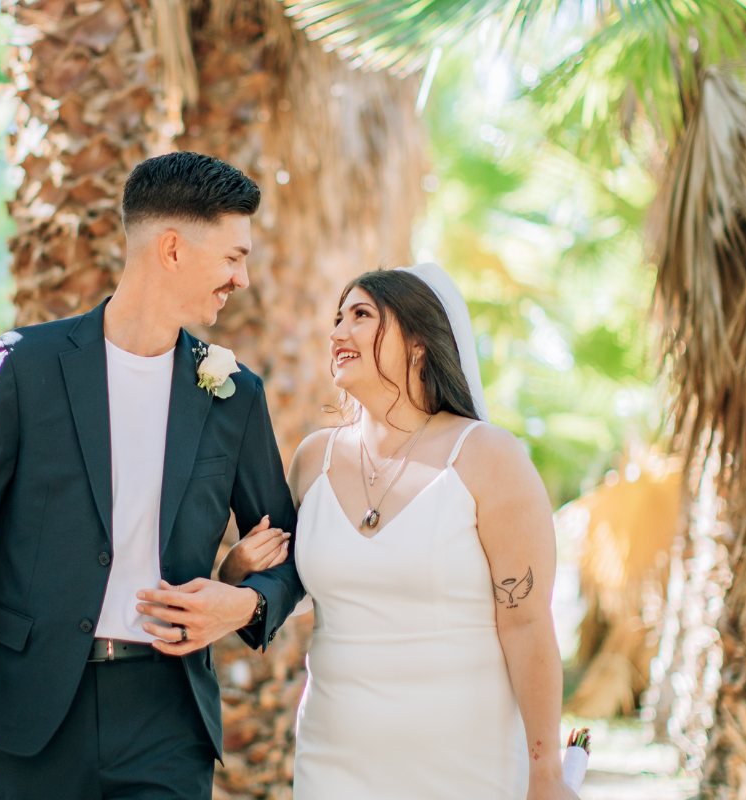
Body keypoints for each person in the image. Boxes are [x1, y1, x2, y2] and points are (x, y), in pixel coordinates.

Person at [0, 152, 306, 800]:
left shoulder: (234, 394)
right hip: (36, 708)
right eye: (232, 257)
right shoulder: (26, 366)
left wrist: (243, 602)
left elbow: (292, 548)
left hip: (168, 712)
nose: (241, 279)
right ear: (172, 249)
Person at [219, 266, 578, 799]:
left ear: (418, 343)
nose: (337, 333)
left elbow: (526, 623)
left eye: (361, 316)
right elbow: (291, 590)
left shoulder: (488, 457)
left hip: (466, 763)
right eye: (337, 319)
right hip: (333, 758)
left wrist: (545, 774)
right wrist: (237, 569)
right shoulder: (313, 459)